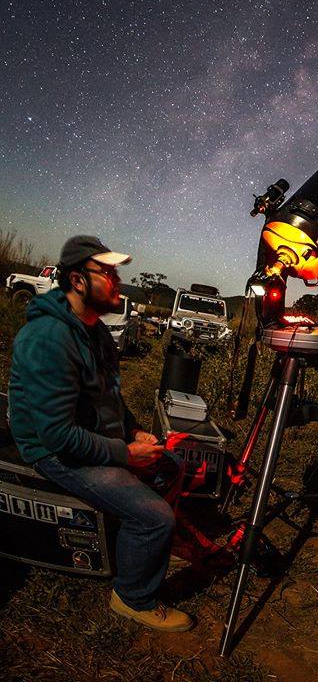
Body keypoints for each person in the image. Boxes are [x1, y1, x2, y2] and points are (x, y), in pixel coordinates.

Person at [8, 235, 194, 632]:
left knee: (170, 466)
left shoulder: (96, 331)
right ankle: (132, 597)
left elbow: (109, 396)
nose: (117, 281)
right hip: (52, 450)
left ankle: (141, 550)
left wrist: (135, 431)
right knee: (155, 517)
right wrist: (125, 454)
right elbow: (57, 436)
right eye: (107, 273)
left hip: (89, 434)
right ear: (78, 281)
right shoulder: (48, 338)